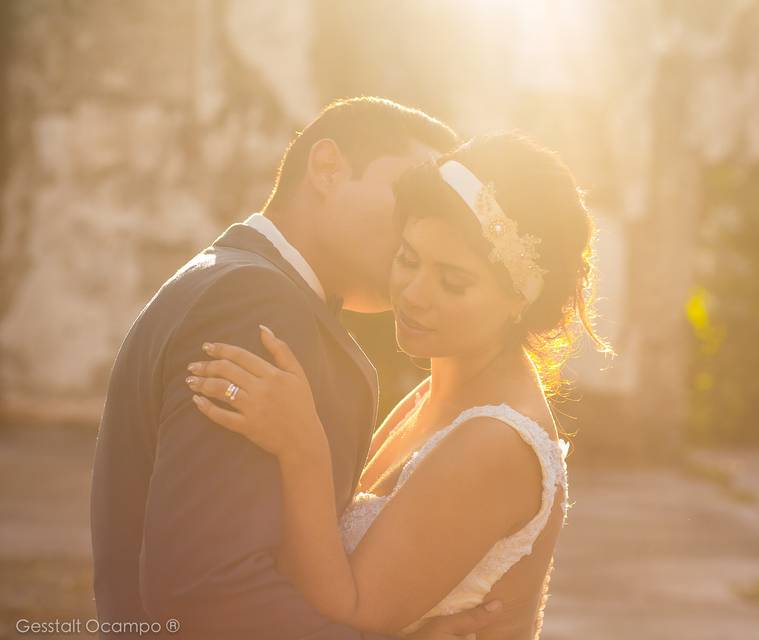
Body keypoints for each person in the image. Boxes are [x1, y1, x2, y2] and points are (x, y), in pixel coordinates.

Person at [91, 96, 502, 639]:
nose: (416, 233)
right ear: (327, 168)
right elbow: (209, 589)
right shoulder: (252, 302)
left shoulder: (238, 280)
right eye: (408, 202)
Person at [185, 133, 610, 639]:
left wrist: (302, 447)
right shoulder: (433, 394)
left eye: (452, 281)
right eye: (408, 258)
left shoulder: (496, 440)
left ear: (520, 300)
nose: (413, 293)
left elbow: (351, 609)